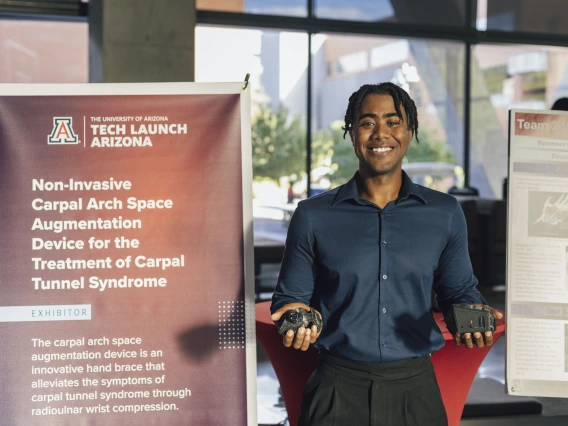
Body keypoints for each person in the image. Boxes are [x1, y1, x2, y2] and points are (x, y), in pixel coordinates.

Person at [270, 82, 503, 426]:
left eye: (393, 122)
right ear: (351, 133)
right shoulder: (312, 214)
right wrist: (294, 317)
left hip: (415, 390)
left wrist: (471, 312)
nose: (381, 133)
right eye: (367, 122)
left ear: (410, 132)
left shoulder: (444, 212)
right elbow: (291, 297)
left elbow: (457, 291)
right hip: (336, 389)